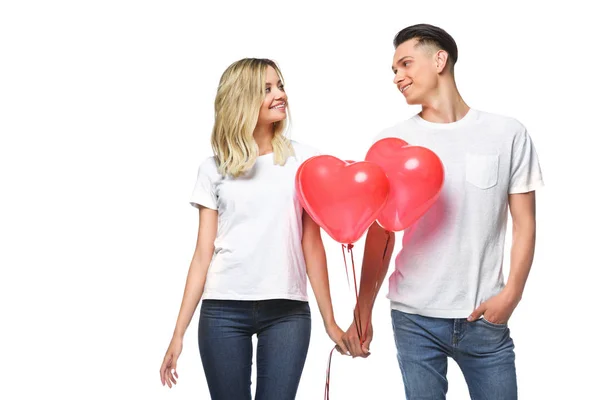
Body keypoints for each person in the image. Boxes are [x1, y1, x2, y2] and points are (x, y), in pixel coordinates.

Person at [341, 24, 544, 400]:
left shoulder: (507, 133)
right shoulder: (392, 143)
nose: (397, 77)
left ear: (440, 60)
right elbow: (382, 232)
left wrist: (511, 294)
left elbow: (525, 224)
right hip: (414, 316)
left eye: (405, 64)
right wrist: (362, 310)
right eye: (393, 70)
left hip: (484, 316)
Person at [159, 58, 347, 400]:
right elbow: (203, 255)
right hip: (223, 311)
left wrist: (330, 322)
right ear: (243, 99)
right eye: (267, 89)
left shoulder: (305, 161)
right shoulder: (214, 168)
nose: (281, 95)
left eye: (280, 86)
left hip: (287, 311)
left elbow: (312, 243)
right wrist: (178, 333)